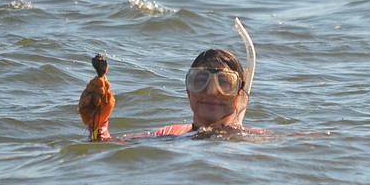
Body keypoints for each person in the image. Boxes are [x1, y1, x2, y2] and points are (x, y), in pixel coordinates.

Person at [80, 48, 258, 141]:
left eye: (225, 83)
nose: (212, 91)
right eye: (200, 80)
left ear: (240, 95)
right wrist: (97, 125)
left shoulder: (256, 140)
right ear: (188, 91)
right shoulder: (168, 134)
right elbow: (105, 147)